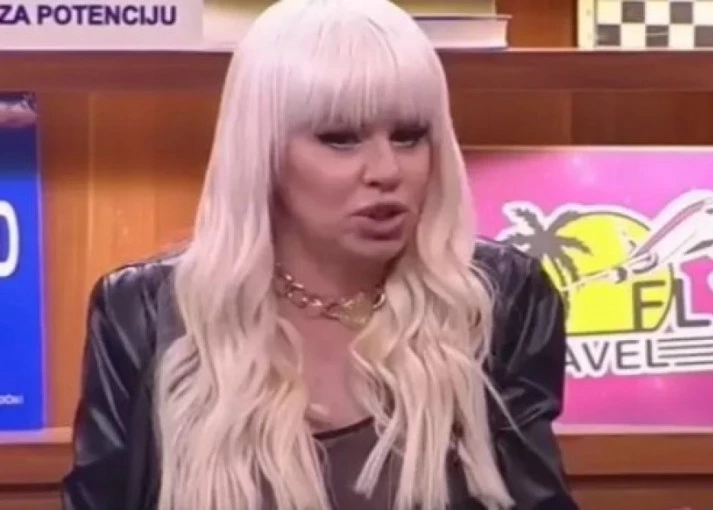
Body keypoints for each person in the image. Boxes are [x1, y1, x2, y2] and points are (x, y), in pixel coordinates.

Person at [61, 0, 579, 509]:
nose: (386, 171)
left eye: (409, 137)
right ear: (263, 150)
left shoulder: (497, 300)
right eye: (340, 139)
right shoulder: (146, 312)